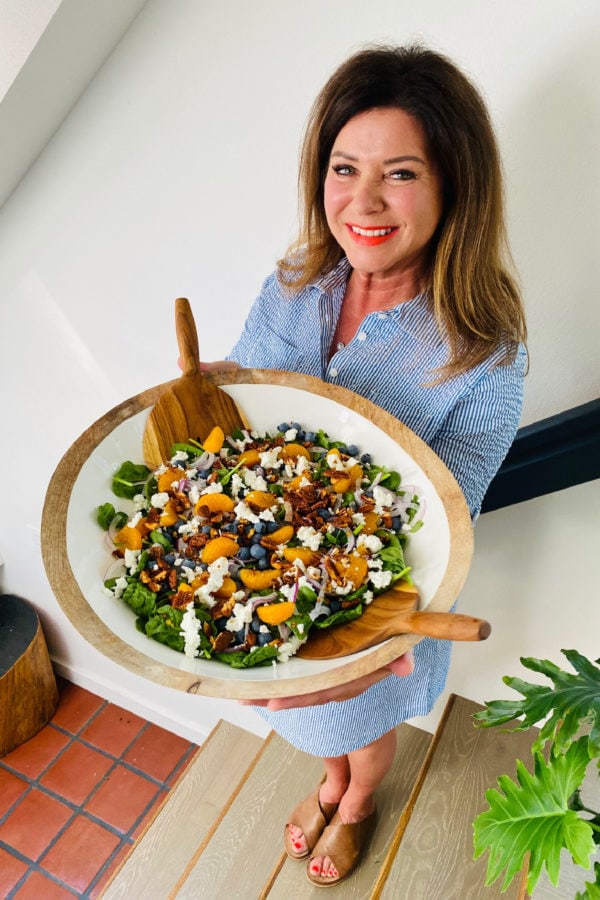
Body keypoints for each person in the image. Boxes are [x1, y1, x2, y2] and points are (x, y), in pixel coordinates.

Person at [202, 44, 527, 887]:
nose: (365, 201)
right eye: (345, 167)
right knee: (311, 729)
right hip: (260, 576)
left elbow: (449, 525)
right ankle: (328, 778)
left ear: (456, 184)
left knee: (361, 727)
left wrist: (350, 634)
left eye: (403, 173)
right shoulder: (293, 281)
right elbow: (246, 379)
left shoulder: (485, 354)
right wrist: (212, 389)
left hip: (372, 612)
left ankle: (353, 803)